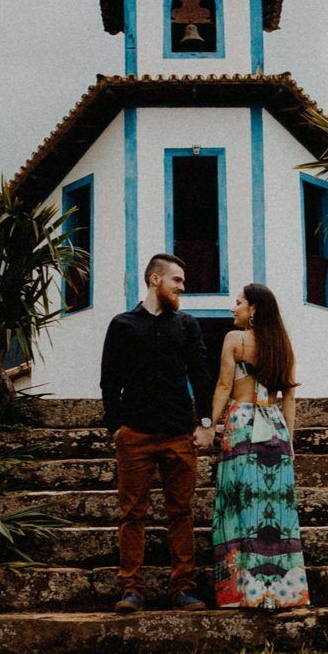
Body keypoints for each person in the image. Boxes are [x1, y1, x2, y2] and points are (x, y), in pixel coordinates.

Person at [99, 253, 213, 614]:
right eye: (177, 280)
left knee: (180, 512)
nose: (183, 287)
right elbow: (109, 380)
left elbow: (200, 375)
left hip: (179, 434)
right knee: (132, 514)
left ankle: (183, 588)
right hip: (136, 436)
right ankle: (131, 589)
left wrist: (206, 422)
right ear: (155, 280)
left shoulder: (187, 325)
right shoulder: (122, 325)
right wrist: (116, 427)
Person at [208, 282, 310, 610]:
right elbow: (289, 397)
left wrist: (210, 424)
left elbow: (225, 384)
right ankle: (283, 592)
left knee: (239, 506)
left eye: (238, 302)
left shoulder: (234, 339)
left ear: (253, 309)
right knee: (276, 512)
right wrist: (290, 441)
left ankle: (240, 592)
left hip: (243, 425)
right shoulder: (283, 344)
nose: (232, 308)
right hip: (275, 427)